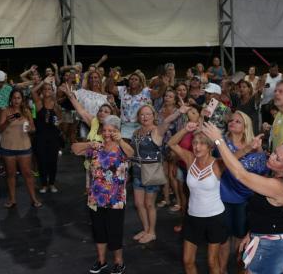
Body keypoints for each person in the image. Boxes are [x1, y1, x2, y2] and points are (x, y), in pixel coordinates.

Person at [202, 122, 283, 274]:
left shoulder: (279, 187)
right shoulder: (276, 177)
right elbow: (267, 214)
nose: (271, 156)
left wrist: (218, 140)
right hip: (263, 239)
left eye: (277, 158)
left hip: (272, 249)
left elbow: (240, 174)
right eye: (273, 152)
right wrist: (251, 233)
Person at [72, 115, 134, 274]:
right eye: (105, 130)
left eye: (112, 130)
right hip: (95, 197)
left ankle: (119, 262)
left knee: (114, 230)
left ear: (118, 132)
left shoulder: (121, 148)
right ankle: (101, 260)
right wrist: (89, 144)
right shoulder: (96, 148)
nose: (107, 133)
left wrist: (120, 140)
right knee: (98, 230)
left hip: (116, 199)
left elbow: (131, 153)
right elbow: (74, 148)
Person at [168, 122, 227, 274]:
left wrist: (220, 140)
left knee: (212, 262)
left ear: (210, 147)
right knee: (187, 261)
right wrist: (185, 129)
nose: (197, 147)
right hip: (193, 217)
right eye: (195, 143)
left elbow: (236, 157)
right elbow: (171, 143)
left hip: (214, 217)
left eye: (202, 144)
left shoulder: (217, 164)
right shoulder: (189, 159)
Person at [217, 111, 268, 273]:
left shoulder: (255, 146)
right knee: (223, 240)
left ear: (246, 125)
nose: (232, 122)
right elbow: (223, 163)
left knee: (241, 240)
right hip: (223, 196)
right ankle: (223, 270)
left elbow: (263, 172)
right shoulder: (221, 143)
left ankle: (240, 269)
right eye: (231, 120)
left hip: (247, 199)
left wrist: (259, 151)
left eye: (238, 121)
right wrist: (247, 149)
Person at [131, 105, 178, 244]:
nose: (145, 117)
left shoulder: (156, 131)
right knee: (139, 203)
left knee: (149, 204)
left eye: (148, 114)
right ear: (138, 117)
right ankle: (145, 229)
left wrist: (179, 112)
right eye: (142, 114)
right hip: (137, 172)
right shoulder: (136, 132)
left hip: (151, 172)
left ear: (153, 116)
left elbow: (167, 121)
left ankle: (152, 232)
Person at [0, 89, 42, 208]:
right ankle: (12, 200)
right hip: (8, 148)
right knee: (11, 174)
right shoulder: (5, 112)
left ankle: (33, 198)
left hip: (24, 147)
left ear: (22, 100)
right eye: (14, 98)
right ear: (11, 99)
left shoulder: (27, 111)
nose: (16, 100)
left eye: (19, 98)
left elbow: (33, 128)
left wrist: (30, 129)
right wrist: (7, 122)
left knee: (28, 173)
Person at [107, 70, 165, 139]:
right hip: (125, 126)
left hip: (142, 126)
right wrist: (113, 77)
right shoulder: (123, 90)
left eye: (136, 79)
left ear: (140, 82)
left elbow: (159, 93)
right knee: (126, 147)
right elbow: (111, 88)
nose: (133, 81)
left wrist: (163, 83)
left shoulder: (146, 91)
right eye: (131, 79)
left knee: (139, 147)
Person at [32, 80, 63, 193]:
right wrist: (43, 81)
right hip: (40, 136)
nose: (46, 91)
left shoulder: (56, 105)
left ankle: (52, 184)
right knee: (41, 161)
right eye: (44, 89)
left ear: (52, 91)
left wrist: (58, 122)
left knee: (52, 161)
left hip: (53, 136)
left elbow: (61, 119)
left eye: (49, 89)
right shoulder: (39, 103)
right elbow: (33, 91)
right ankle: (44, 184)